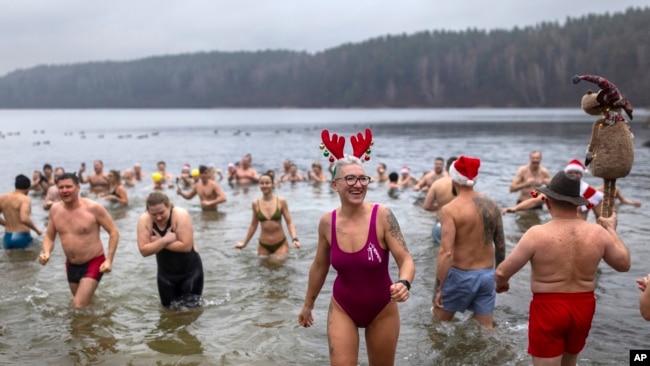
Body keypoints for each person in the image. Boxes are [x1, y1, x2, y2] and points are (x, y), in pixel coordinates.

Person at [495, 170, 630, 365]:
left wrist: (502, 284)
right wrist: (611, 230)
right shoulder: (598, 233)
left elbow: (501, 272)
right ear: (577, 203)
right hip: (584, 307)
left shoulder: (536, 234)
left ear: (548, 201)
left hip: (548, 307)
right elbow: (624, 265)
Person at [298, 155, 415, 365]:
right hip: (343, 307)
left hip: (382, 308)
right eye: (350, 179)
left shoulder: (382, 216)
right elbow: (319, 266)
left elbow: (405, 258)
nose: (358, 185)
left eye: (362, 179)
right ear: (335, 184)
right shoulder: (327, 222)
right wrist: (308, 305)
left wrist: (404, 282)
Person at [433, 156, 505, 329]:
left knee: (438, 326)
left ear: (453, 177)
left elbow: (446, 253)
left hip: (461, 277)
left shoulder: (450, 209)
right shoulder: (492, 204)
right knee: (486, 329)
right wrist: (501, 275)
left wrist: (439, 289)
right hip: (487, 275)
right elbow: (500, 243)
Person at [38, 172, 120, 308]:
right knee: (84, 306)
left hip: (93, 261)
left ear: (78, 188)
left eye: (68, 187)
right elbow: (49, 236)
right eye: (61, 187)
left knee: (77, 306)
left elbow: (113, 232)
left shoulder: (93, 208)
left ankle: (80, 328)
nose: (64, 190)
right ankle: (98, 322)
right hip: (71, 265)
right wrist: (46, 252)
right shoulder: (55, 209)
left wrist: (109, 260)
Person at [137, 191, 203, 308]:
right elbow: (144, 251)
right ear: (148, 211)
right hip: (165, 276)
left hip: (190, 273)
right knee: (168, 314)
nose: (158, 217)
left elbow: (186, 247)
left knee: (189, 313)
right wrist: (165, 240)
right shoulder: (144, 219)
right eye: (153, 214)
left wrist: (157, 242)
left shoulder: (180, 214)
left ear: (169, 206)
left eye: (162, 212)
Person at [502, 159, 603, 221]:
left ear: (581, 174)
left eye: (577, 172)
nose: (574, 175)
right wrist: (515, 208)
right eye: (571, 172)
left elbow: (600, 218)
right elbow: (534, 201)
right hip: (559, 231)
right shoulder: (559, 191)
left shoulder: (592, 194)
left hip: (581, 231)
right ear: (566, 174)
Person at [235, 173, 300, 263]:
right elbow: (253, 225)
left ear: (272, 184)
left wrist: (294, 239)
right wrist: (244, 243)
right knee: (264, 271)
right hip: (263, 245)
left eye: (267, 183)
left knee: (275, 263)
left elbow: (289, 222)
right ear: (259, 185)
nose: (264, 185)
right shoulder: (255, 203)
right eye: (262, 183)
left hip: (280, 243)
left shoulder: (281, 201)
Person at [0, 174, 43, 249]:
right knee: (31, 256)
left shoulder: (2, 197)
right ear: (28, 188)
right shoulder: (25, 199)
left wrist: (6, 224)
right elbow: (24, 218)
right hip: (21, 236)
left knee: (11, 259)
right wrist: (37, 230)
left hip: (7, 237)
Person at [422, 156, 457, 244]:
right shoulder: (464, 185)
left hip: (440, 224)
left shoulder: (437, 183)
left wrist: (439, 206)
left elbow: (426, 206)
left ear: (446, 167)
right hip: (458, 225)